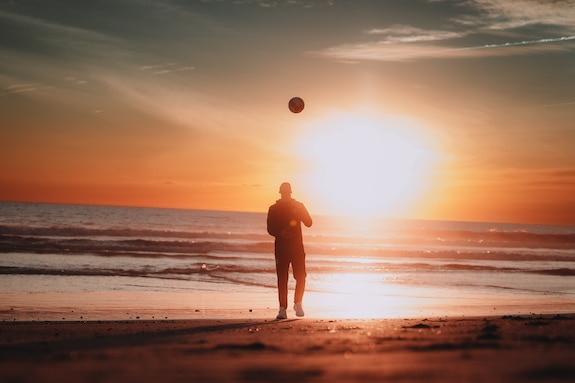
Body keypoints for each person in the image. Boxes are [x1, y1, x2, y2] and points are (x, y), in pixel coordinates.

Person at [267, 182, 312, 319]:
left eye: (287, 192)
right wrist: (282, 233)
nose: (286, 194)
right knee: (282, 278)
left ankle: (298, 303)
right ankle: (282, 309)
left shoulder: (298, 206)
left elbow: (309, 223)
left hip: (297, 248)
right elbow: (270, 229)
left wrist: (301, 210)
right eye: (284, 192)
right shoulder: (274, 208)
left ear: (291, 193)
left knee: (301, 276)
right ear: (280, 193)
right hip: (281, 248)